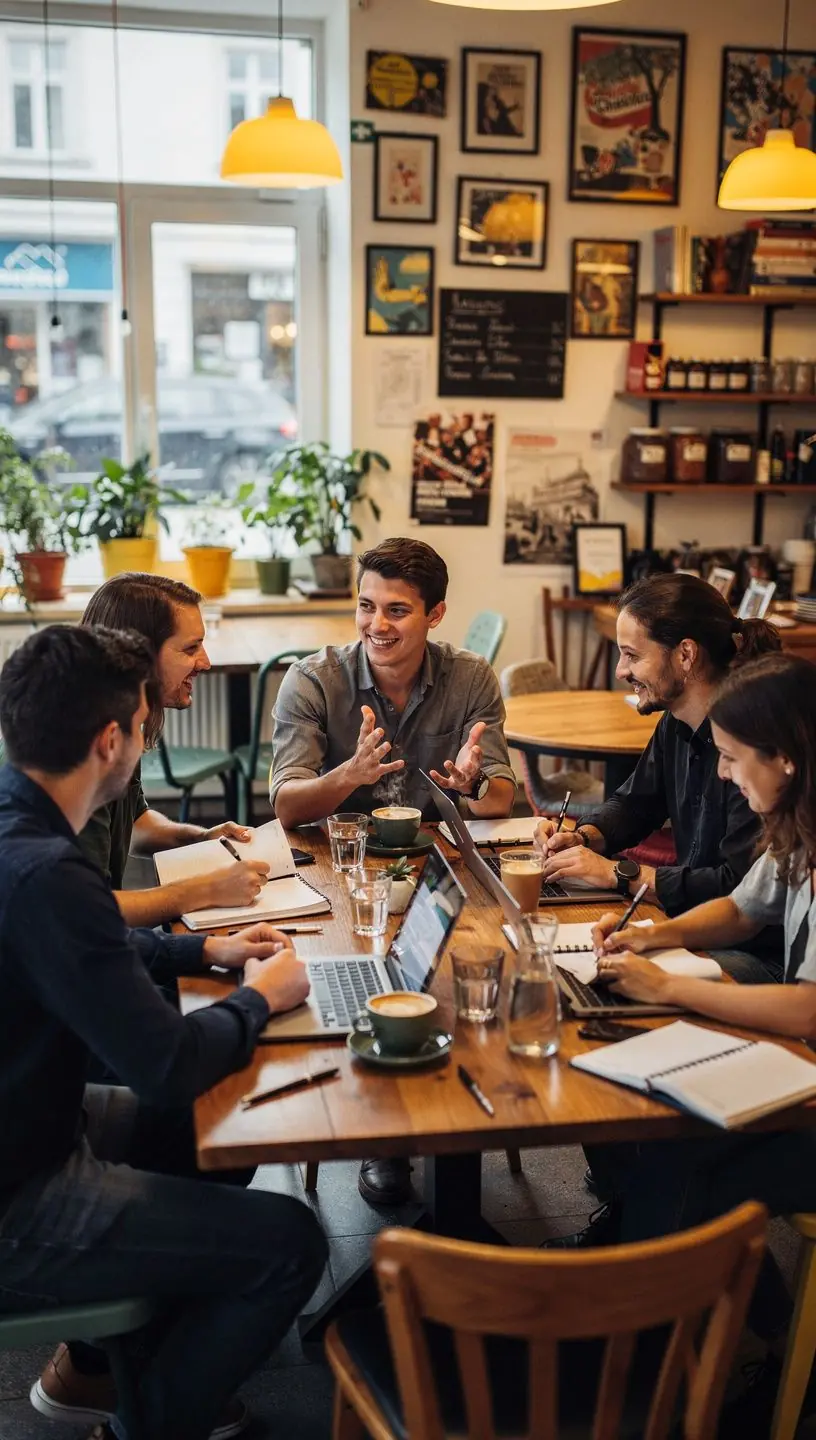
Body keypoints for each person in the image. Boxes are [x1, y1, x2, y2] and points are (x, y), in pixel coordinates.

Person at [0, 624, 326, 1440]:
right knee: (290, 1242)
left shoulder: (22, 827)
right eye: (144, 728)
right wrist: (261, 997)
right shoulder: (50, 870)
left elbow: (84, 946)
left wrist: (202, 947)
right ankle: (154, 1422)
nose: (147, 740)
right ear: (112, 741)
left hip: (30, 1125)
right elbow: (169, 1063)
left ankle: (122, 1361)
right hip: (18, 1194)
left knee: (199, 1133)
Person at [576, 653, 816, 1436]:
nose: (720, 774)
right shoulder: (800, 818)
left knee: (684, 1164)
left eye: (733, 757)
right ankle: (751, 1340)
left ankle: (638, 1368)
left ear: (784, 757)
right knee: (669, 1144)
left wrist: (672, 986)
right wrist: (659, 934)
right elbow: (746, 914)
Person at [271, 536, 516, 1205]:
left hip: (435, 869)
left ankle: (454, 1124)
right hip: (339, 870)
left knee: (469, 978)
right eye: (366, 606)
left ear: (435, 614)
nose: (377, 624)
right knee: (365, 979)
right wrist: (348, 775)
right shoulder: (314, 678)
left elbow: (502, 796)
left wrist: (471, 784)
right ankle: (388, 1140)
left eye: (397, 611)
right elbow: (285, 805)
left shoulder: (469, 678)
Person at [534, 572, 782, 984]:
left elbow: (736, 889)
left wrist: (618, 874)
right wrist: (583, 838)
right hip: (697, 929)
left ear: (685, 655)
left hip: (758, 957)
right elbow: (636, 803)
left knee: (601, 981)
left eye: (632, 655)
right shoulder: (676, 721)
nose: (620, 671)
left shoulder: (756, 747)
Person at [80, 574, 269, 927]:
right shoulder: (84, 752)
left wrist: (202, 838)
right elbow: (89, 912)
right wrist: (206, 890)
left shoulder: (120, 719)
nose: (206, 662)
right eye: (190, 648)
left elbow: (135, 825)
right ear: (138, 656)